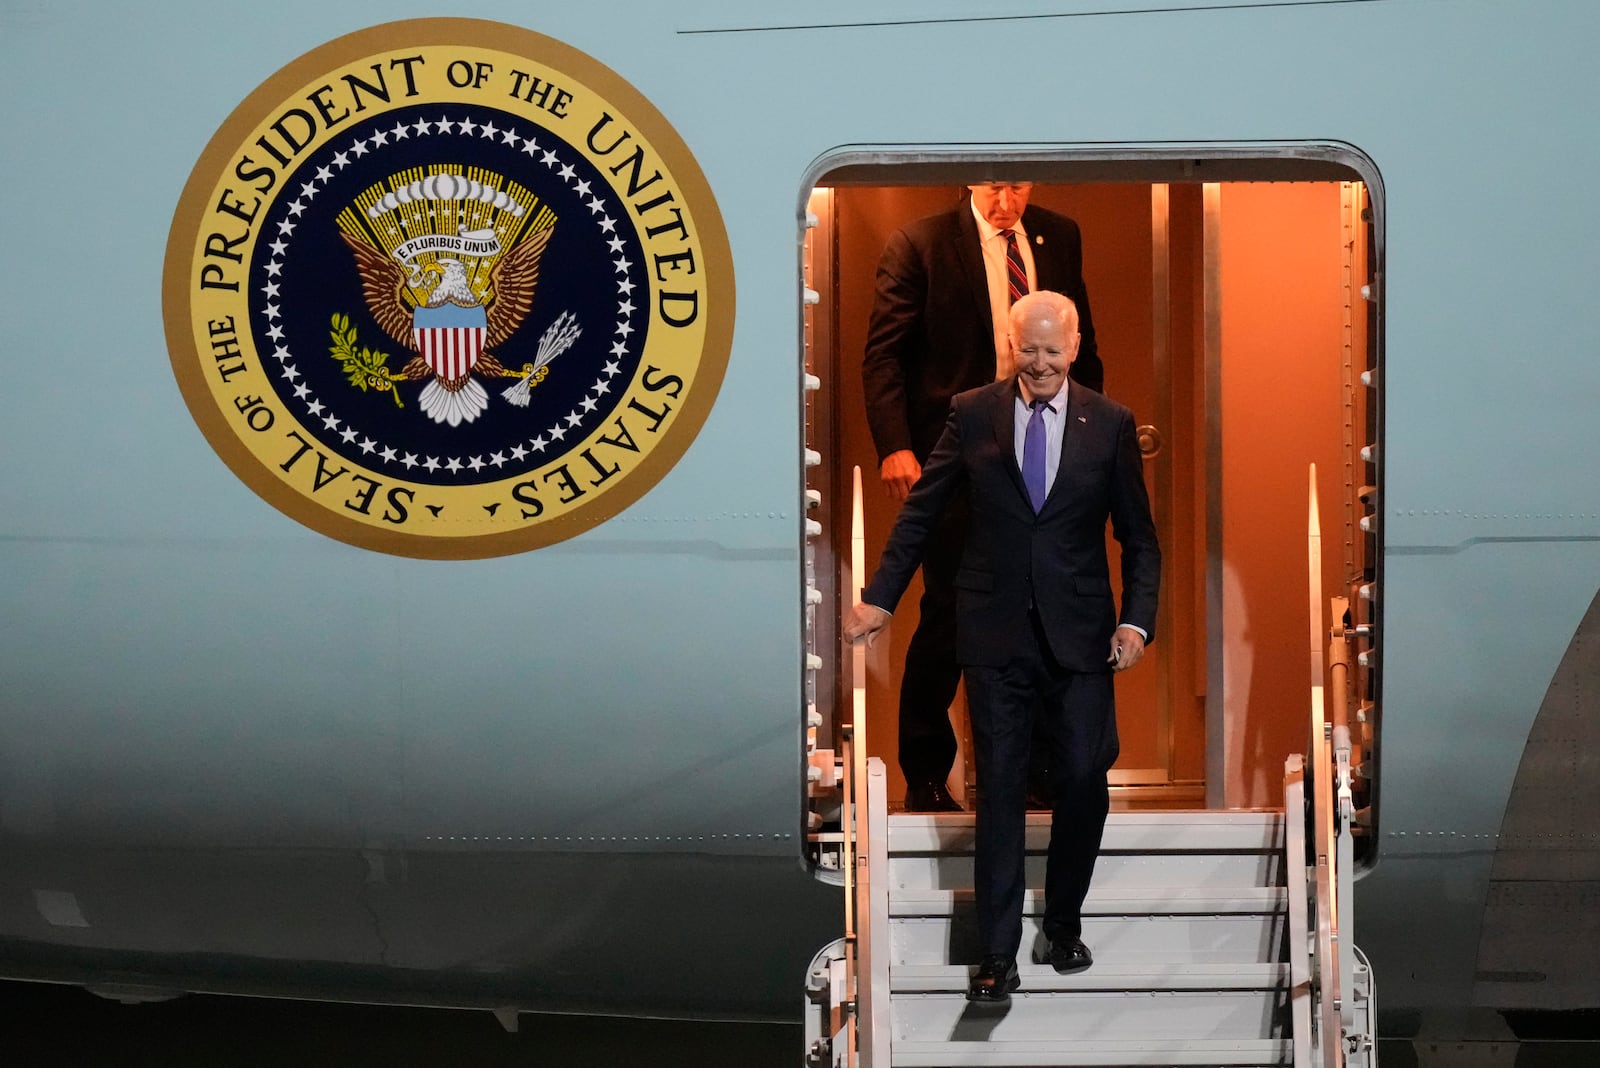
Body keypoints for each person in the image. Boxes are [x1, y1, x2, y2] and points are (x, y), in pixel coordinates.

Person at [844, 291, 1159, 1003]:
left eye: (1054, 349)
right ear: (1010, 344)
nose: (1041, 362)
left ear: (1075, 347)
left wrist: (1137, 622)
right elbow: (923, 510)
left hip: (1081, 636)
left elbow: (1139, 538)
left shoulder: (1108, 425)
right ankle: (996, 956)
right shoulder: (972, 411)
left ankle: (1064, 921)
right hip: (993, 633)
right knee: (1001, 792)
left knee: (1082, 776)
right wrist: (881, 597)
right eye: (1029, 348)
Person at [861, 182, 1104, 812]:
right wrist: (895, 444)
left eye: (1018, 186)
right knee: (948, 610)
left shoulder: (1061, 233)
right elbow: (884, 355)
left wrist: (1094, 440)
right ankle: (924, 771)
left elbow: (1086, 345)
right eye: (994, 188)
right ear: (970, 181)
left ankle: (1040, 770)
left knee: (1044, 603)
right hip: (960, 449)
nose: (1006, 201)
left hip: (1047, 444)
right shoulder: (921, 242)